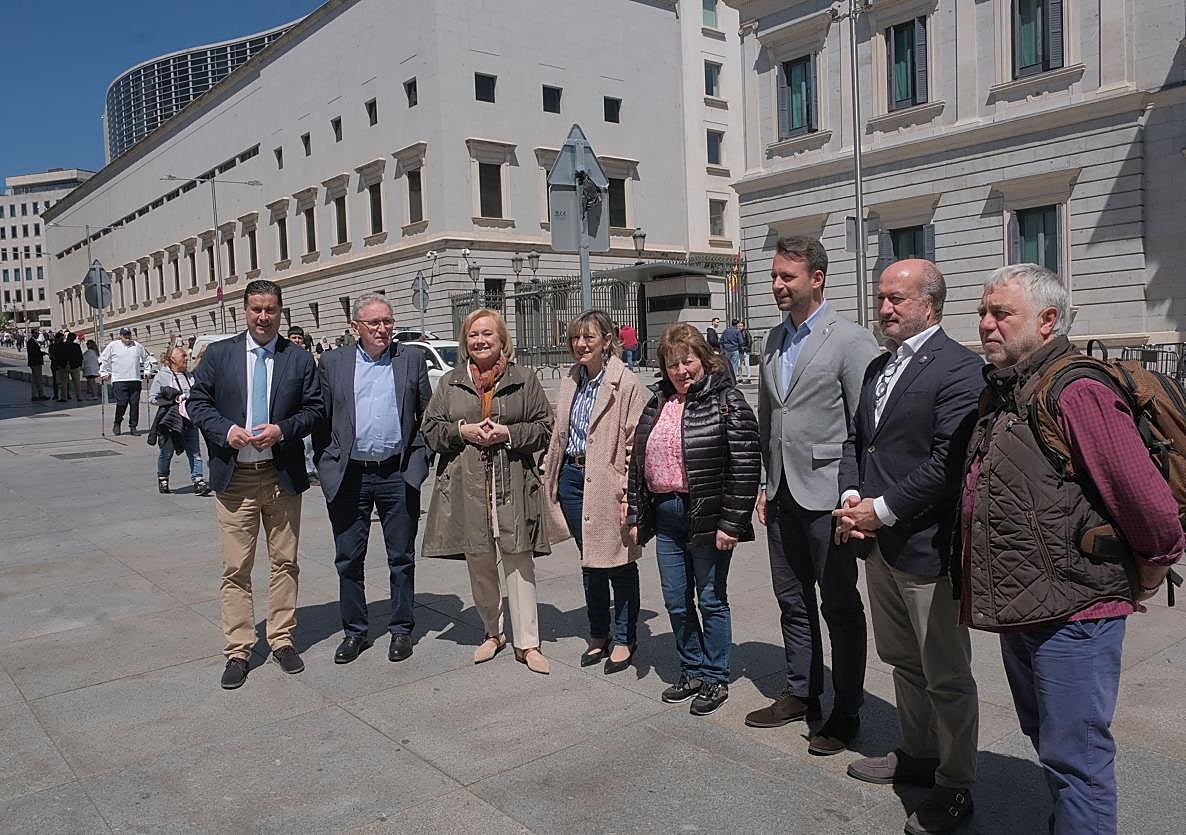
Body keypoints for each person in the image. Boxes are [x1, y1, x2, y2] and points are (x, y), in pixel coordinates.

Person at [963, 264, 1183, 834]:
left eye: (1001, 313)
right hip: (1027, 605)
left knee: (1078, 760)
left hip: (1076, 614)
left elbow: (1149, 506)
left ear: (1048, 320)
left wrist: (1152, 570)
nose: (986, 324)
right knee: (1052, 743)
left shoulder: (1076, 390)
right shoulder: (1007, 387)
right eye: (983, 312)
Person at [833, 260, 984, 835]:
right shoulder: (879, 366)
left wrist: (882, 510)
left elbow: (948, 461)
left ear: (930, 304)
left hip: (926, 548)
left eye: (897, 298)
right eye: (881, 298)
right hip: (879, 546)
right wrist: (852, 495)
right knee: (901, 660)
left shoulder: (958, 368)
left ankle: (956, 783)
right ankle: (918, 753)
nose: (884, 308)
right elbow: (859, 441)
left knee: (946, 673)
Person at [747, 236, 878, 754]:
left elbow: (865, 426)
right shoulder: (772, 340)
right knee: (791, 600)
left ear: (817, 278)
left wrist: (857, 496)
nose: (777, 285)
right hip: (782, 492)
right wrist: (766, 482)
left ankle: (847, 709)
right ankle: (802, 691)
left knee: (839, 606)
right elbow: (768, 417)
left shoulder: (850, 340)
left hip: (830, 498)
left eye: (787, 276)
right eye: (774, 276)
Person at [187, 279, 323, 690]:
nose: (263, 317)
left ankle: (281, 639)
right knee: (236, 568)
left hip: (281, 476)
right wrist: (226, 431)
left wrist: (283, 429)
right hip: (236, 479)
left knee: (285, 562)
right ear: (244, 311)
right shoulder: (220, 355)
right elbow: (197, 403)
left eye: (271, 310)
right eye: (256, 309)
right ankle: (239, 650)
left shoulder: (298, 358)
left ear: (281, 312)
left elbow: (315, 409)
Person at [627, 323, 760, 715]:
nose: (681, 371)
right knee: (676, 600)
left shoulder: (728, 400)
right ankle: (693, 669)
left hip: (708, 516)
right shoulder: (657, 402)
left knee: (711, 599)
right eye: (673, 364)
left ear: (704, 358)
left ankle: (716, 676)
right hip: (666, 516)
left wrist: (731, 523)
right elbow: (637, 463)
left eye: (688, 361)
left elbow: (746, 466)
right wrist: (636, 513)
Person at [421, 308, 553, 674]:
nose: (480, 341)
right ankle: (492, 633)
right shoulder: (450, 382)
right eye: (473, 335)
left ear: (502, 339)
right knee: (479, 561)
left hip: (513, 483)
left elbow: (545, 427)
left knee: (519, 561)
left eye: (487, 334)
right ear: (465, 341)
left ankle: (528, 643)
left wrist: (507, 433)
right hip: (468, 485)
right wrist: (461, 431)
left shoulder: (524, 378)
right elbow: (430, 429)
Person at [313, 293, 432, 665]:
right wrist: (326, 462)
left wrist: (421, 459)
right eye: (374, 323)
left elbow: (428, 415)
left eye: (388, 321)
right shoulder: (333, 362)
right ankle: (355, 632)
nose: (383, 329)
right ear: (356, 327)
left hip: (397, 472)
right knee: (349, 557)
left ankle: (402, 629)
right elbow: (321, 418)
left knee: (402, 557)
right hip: (350, 474)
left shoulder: (411, 359)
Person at [542, 310, 647, 672]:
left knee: (619, 562)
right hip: (572, 478)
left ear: (607, 340)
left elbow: (635, 443)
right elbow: (561, 431)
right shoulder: (571, 379)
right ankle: (598, 633)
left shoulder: (625, 382)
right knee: (590, 560)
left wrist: (627, 489)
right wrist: (551, 471)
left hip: (606, 480)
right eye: (575, 337)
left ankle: (625, 637)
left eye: (589, 337)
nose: (581, 344)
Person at [148, 346, 210, 496]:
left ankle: (198, 481)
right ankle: (163, 477)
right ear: (173, 359)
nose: (186, 359)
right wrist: (172, 399)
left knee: (195, 452)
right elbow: (153, 398)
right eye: (183, 356)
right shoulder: (162, 376)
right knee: (166, 452)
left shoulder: (189, 376)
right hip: (170, 421)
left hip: (189, 420)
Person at [100, 327, 150, 435]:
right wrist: (103, 372)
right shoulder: (113, 345)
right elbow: (103, 359)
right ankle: (117, 422)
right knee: (122, 403)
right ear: (120, 336)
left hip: (135, 379)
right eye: (125, 335)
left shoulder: (137, 346)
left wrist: (147, 371)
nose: (127, 337)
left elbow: (147, 358)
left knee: (134, 404)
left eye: (128, 334)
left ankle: (133, 426)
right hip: (119, 380)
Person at [287, 325, 319, 484]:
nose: (297, 340)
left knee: (308, 441)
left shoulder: (307, 357)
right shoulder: (285, 357)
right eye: (294, 338)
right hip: (291, 407)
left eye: (299, 338)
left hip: (305, 405)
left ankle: (310, 469)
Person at [26, 331, 48, 401]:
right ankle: (41, 395)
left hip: (34, 362)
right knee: (38, 379)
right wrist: (43, 353)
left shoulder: (33, 341)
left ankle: (35, 395)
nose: (38, 335)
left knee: (35, 379)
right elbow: (35, 353)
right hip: (36, 363)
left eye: (38, 333)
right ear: (33, 334)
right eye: (36, 333)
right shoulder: (31, 342)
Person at [63, 332, 83, 402]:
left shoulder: (63, 345)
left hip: (65, 365)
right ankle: (79, 396)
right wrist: (80, 364)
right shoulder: (76, 346)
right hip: (75, 366)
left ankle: (64, 397)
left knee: (64, 382)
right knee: (77, 382)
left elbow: (60, 356)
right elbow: (80, 356)